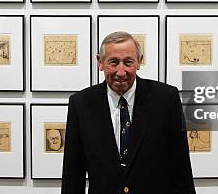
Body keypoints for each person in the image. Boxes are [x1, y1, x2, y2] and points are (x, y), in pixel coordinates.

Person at [61, 31, 196, 194]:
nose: (121, 71)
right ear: (100, 62)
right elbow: (73, 174)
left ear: (139, 62)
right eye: (113, 62)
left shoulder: (166, 99)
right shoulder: (80, 104)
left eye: (128, 62)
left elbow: (181, 167)